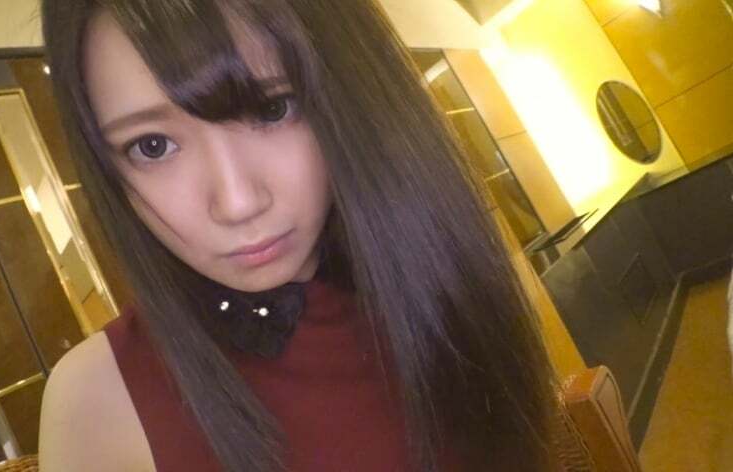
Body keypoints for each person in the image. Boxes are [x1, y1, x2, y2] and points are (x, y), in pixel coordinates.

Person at [37, 0, 559, 471]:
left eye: (272, 108)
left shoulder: (447, 292)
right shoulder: (98, 399)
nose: (238, 202)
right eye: (152, 146)